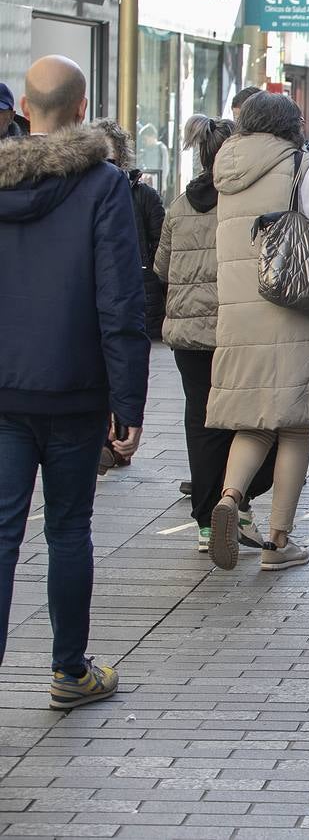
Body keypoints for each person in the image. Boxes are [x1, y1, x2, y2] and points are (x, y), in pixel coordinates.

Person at [0, 55, 149, 708]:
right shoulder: (103, 185)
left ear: (24, 110)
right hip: (74, 389)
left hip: (4, 389)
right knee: (67, 529)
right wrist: (128, 399)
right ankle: (69, 670)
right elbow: (121, 300)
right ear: (83, 110)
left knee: (3, 533)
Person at [206, 92, 309, 572]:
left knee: (254, 421)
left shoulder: (225, 171)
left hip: (239, 314)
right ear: (290, 126)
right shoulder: (302, 165)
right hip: (295, 309)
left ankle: (231, 499)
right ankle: (278, 543)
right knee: (295, 427)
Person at [154, 115, 275, 554]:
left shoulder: (179, 205)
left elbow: (163, 268)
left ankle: (207, 523)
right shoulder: (243, 203)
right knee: (256, 420)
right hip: (234, 330)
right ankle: (239, 499)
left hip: (188, 335)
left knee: (201, 422)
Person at [92, 119, 168, 341]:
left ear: (121, 157)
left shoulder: (144, 196)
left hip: (139, 298)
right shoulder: (82, 196)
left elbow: (161, 247)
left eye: (110, 160)